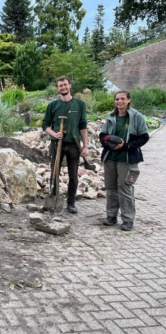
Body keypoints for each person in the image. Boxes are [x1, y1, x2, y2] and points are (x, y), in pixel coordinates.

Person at [99, 90, 149, 231]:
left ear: (129, 100)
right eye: (117, 99)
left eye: (122, 99)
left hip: (127, 159)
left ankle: (127, 219)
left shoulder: (136, 117)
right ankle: (111, 216)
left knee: (125, 188)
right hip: (110, 158)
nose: (119, 102)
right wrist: (108, 144)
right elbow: (103, 135)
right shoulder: (111, 116)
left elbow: (144, 137)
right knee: (111, 188)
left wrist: (126, 146)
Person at [42, 76, 88, 213]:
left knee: (73, 175)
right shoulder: (53, 106)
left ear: (70, 86)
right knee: (55, 172)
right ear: (58, 88)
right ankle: (54, 198)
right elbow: (45, 125)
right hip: (57, 144)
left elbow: (83, 126)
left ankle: (71, 202)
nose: (63, 87)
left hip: (73, 144)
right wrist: (54, 134)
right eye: (60, 85)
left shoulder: (80, 104)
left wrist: (85, 146)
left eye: (65, 85)